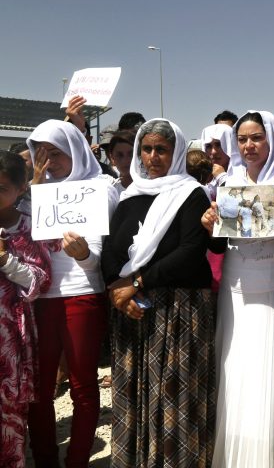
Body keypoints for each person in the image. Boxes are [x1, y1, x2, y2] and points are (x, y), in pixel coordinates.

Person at [101, 119, 215, 467]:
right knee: (136, 392)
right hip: (131, 309)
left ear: (176, 152)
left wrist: (136, 284)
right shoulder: (130, 196)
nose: (153, 157)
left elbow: (189, 251)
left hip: (178, 310)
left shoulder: (190, 194)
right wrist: (116, 290)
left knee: (173, 397)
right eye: (146, 149)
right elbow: (111, 249)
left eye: (161, 150)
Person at [201, 110, 274, 467]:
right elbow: (219, 247)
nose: (249, 145)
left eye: (256, 137)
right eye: (242, 139)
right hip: (238, 290)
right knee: (238, 374)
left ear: (272, 139)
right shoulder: (229, 183)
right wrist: (211, 226)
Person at [26, 119, 118, 468]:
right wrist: (34, 190)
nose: (51, 161)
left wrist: (82, 254)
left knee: (82, 384)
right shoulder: (34, 193)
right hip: (41, 299)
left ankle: (77, 459)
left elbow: (97, 261)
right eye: (42, 154)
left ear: (76, 150)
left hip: (81, 296)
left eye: (57, 152)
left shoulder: (99, 189)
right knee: (40, 386)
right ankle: (46, 459)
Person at [0, 151, 51, 468]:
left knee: (9, 420)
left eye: (2, 187)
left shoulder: (28, 227)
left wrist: (7, 262)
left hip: (9, 342)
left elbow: (41, 280)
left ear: (21, 189)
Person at [200, 123, 240, 200]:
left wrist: (222, 177)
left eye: (219, 145)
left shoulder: (245, 175)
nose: (213, 152)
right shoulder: (200, 177)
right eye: (208, 146)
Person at [108, 129, 136, 194]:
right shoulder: (109, 192)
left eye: (131, 154)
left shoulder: (152, 189)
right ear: (112, 158)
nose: (126, 160)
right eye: (120, 155)